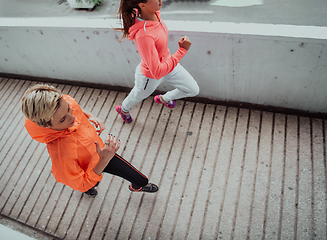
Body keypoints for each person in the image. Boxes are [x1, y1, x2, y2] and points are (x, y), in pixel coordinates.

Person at [21, 84, 158, 197]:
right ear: (46, 125)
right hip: (92, 164)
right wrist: (103, 160)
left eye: (68, 109)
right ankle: (89, 189)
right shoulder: (62, 155)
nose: (72, 118)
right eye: (63, 119)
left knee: (140, 180)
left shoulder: (64, 103)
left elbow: (76, 108)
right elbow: (80, 181)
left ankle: (137, 186)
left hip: (100, 151)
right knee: (89, 184)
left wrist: (92, 116)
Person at [115, 0, 199, 123]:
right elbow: (157, 72)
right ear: (142, 5)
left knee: (193, 90)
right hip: (150, 76)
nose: (160, 0)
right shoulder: (144, 36)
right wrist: (182, 50)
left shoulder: (155, 13)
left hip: (169, 64)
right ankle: (123, 109)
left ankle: (164, 98)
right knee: (137, 96)